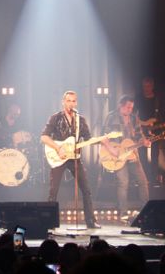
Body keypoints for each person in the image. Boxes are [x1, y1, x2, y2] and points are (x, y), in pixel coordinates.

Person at [40, 90, 101, 229]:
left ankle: (90, 221)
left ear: (76, 103)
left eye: (73, 101)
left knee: (86, 189)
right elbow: (44, 137)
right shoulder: (55, 118)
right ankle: (49, 222)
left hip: (74, 158)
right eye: (68, 100)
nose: (71, 103)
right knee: (53, 191)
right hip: (59, 157)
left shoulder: (80, 120)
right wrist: (58, 148)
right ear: (63, 102)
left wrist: (101, 140)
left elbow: (88, 138)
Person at [102, 95, 149, 220]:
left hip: (132, 154)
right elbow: (104, 137)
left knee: (143, 181)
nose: (130, 110)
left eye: (131, 107)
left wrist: (144, 141)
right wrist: (112, 150)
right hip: (117, 154)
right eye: (128, 107)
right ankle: (123, 213)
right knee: (123, 183)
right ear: (120, 105)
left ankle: (146, 211)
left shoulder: (134, 118)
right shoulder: (111, 117)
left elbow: (139, 135)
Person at [135, 77, 165, 185]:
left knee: (155, 154)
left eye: (148, 86)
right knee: (141, 155)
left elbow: (162, 112)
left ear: (152, 86)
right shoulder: (138, 98)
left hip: (155, 129)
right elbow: (134, 114)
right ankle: (143, 178)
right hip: (141, 129)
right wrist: (143, 123)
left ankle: (154, 178)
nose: (146, 88)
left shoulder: (157, 99)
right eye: (144, 86)